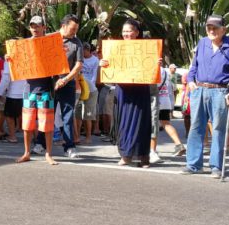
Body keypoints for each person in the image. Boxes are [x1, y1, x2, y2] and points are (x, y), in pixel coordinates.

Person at [182, 14, 229, 178]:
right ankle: (193, 165)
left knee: (219, 129)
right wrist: (191, 81)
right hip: (199, 90)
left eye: (215, 28)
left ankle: (216, 166)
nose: (211, 31)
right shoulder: (202, 43)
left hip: (220, 91)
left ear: (223, 30)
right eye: (209, 28)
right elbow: (194, 66)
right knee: (196, 127)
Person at [99, 19, 152, 167]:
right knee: (124, 122)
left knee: (141, 122)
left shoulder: (146, 48)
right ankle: (126, 155)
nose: (126, 34)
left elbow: (151, 66)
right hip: (123, 90)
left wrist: (156, 63)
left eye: (129, 31)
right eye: (124, 31)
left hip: (140, 90)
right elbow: (108, 66)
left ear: (137, 32)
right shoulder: (115, 48)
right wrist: (102, 64)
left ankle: (143, 157)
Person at [17, 15, 60, 165]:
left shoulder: (50, 44)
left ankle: (48, 154)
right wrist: (10, 57)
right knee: (27, 124)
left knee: (47, 125)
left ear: (43, 27)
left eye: (37, 26)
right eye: (32, 26)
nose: (34, 28)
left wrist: (61, 52)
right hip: (28, 90)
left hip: (46, 90)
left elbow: (58, 63)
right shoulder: (24, 45)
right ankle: (26, 153)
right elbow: (16, 62)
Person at [48, 14, 83, 160]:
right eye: (72, 29)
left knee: (67, 116)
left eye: (76, 29)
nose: (75, 32)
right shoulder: (49, 38)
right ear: (63, 26)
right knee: (46, 114)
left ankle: (69, 147)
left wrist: (65, 79)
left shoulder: (77, 42)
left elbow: (78, 64)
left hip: (67, 84)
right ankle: (40, 143)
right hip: (49, 83)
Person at [151, 64, 185, 162]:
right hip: (165, 100)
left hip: (156, 101)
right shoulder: (165, 71)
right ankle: (179, 144)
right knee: (166, 124)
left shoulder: (154, 69)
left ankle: (152, 151)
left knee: (152, 125)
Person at [74, 41, 99, 147]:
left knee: (88, 115)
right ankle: (77, 136)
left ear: (88, 50)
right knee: (78, 114)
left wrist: (89, 85)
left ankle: (88, 137)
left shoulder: (95, 60)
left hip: (91, 89)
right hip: (79, 88)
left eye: (83, 51)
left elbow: (94, 75)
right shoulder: (78, 59)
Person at [0, 59, 25, 143]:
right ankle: (36, 138)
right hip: (27, 91)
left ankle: (12, 136)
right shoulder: (28, 57)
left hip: (14, 92)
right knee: (27, 115)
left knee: (9, 116)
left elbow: (6, 77)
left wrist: (0, 92)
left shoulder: (10, 59)